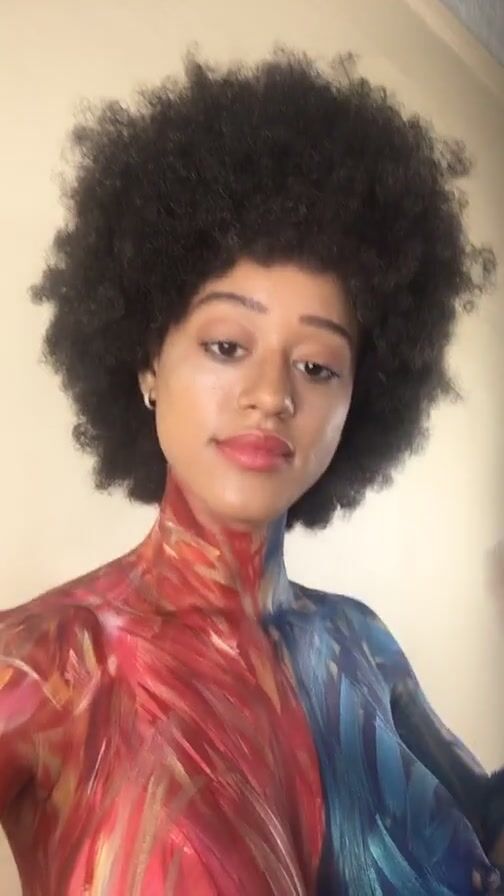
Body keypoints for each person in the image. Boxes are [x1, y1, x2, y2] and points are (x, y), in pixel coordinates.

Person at [0, 48, 502, 895]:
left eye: (317, 366)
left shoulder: (361, 646)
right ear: (147, 364)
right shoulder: (49, 666)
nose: (272, 395)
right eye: (228, 346)